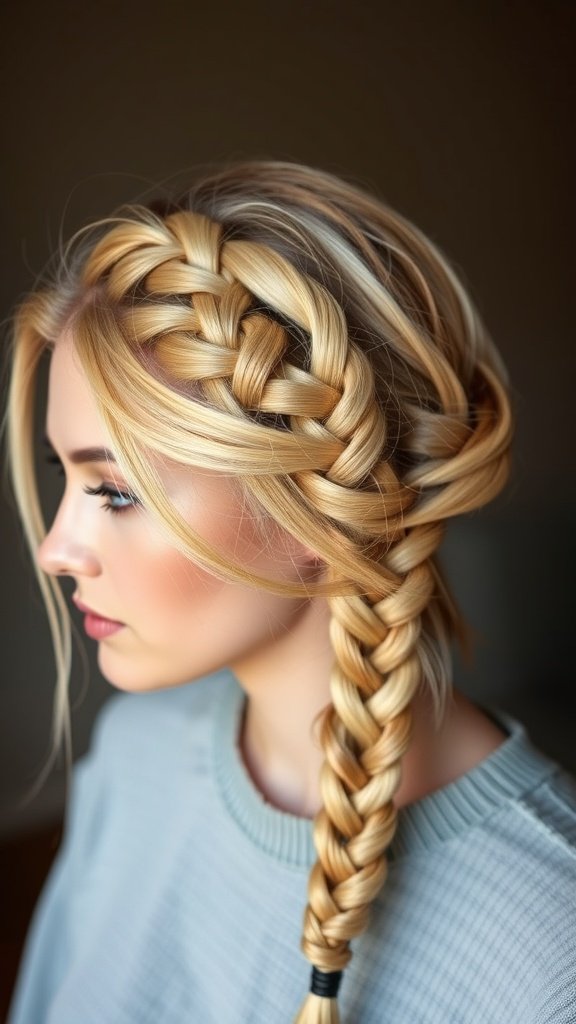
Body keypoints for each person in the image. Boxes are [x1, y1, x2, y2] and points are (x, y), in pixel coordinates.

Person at [6, 162, 576, 1024]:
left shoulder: (549, 943)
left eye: (116, 492)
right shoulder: (135, 759)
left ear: (321, 515)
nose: (55, 549)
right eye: (65, 475)